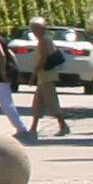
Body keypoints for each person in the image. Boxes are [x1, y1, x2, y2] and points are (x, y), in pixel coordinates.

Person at [32, 14, 77, 142]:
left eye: (36, 29)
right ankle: (33, 128)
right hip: (45, 76)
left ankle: (63, 126)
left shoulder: (44, 40)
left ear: (42, 29)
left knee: (51, 102)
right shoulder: (46, 39)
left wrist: (34, 73)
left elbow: (44, 58)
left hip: (46, 76)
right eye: (33, 29)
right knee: (38, 103)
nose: (34, 32)